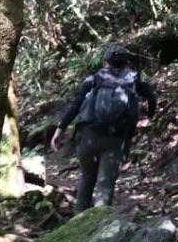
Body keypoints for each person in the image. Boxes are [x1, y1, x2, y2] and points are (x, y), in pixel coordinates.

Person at [51, 43, 157, 211]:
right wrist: (150, 115)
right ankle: (100, 223)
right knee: (105, 184)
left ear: (105, 62)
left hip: (88, 136)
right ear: (126, 63)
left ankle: (78, 218)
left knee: (87, 177)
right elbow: (151, 97)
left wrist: (60, 130)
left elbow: (76, 104)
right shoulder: (132, 81)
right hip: (115, 139)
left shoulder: (94, 78)